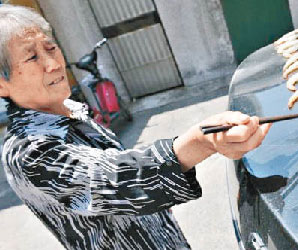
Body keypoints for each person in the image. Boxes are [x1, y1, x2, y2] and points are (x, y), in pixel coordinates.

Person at [0, 4, 271, 250]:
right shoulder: (27, 151)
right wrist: (201, 142)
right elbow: (113, 178)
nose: (53, 64)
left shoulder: (70, 110)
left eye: (50, 48)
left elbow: (117, 163)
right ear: (2, 84)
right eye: (32, 58)